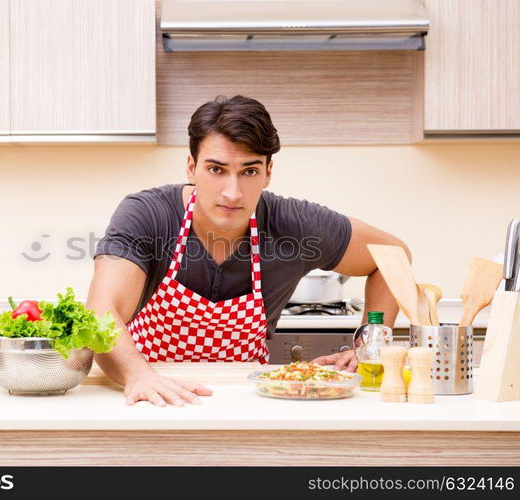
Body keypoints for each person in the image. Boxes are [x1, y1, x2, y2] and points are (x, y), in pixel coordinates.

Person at [86, 95, 409, 407]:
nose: (232, 192)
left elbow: (392, 255)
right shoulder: (147, 214)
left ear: (268, 172)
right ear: (191, 167)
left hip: (248, 396)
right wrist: (138, 375)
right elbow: (102, 311)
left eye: (249, 171)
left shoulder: (293, 223)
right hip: (147, 390)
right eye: (216, 169)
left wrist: (369, 346)